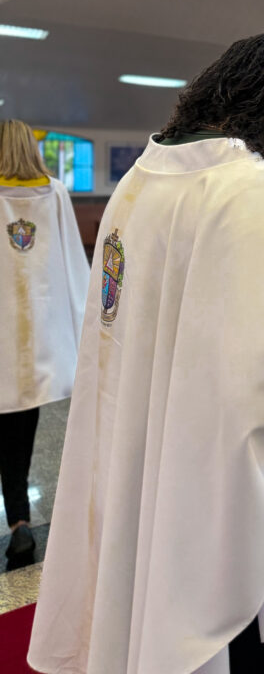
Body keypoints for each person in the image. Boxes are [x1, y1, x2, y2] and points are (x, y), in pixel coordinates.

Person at [28, 32, 264, 674]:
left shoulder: (139, 179)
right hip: (207, 494)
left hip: (132, 453)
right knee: (223, 639)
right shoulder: (256, 188)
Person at [0, 119, 89, 570]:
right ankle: (19, 522)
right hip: (35, 345)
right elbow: (74, 264)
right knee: (18, 436)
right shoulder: (53, 193)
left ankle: (17, 519)